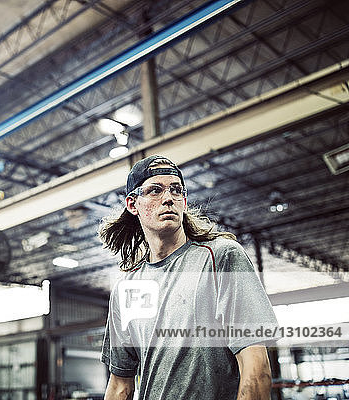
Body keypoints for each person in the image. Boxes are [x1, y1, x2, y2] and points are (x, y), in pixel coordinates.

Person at [99, 155, 279, 400]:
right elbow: (120, 385)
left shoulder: (220, 258)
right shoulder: (126, 288)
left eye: (176, 190)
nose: (168, 198)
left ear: (184, 201)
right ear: (133, 204)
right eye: (155, 190)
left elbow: (256, 370)